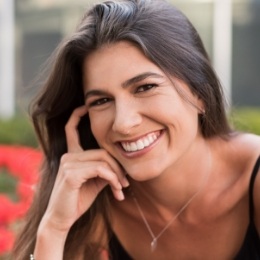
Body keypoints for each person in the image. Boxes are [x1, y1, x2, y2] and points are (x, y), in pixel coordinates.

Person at [13, 0, 260, 259]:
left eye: (145, 87)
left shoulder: (252, 182)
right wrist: (54, 229)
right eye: (101, 101)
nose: (123, 122)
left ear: (199, 92)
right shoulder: (99, 198)